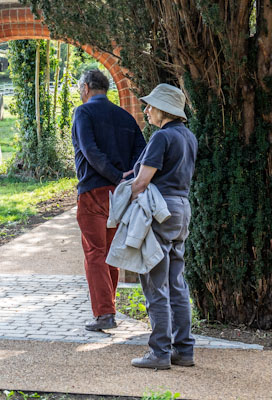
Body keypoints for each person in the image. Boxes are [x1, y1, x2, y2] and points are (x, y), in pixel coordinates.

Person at [72, 69, 146, 331]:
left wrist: (115, 175)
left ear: (87, 88)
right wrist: (128, 178)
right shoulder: (125, 117)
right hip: (121, 194)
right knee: (111, 253)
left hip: (94, 191)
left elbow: (89, 150)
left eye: (80, 89)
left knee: (95, 252)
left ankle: (104, 314)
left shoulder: (84, 112)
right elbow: (142, 152)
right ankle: (109, 308)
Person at [130, 83, 197, 369]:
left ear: (164, 110)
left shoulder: (161, 136)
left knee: (155, 284)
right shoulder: (188, 136)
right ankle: (184, 351)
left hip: (159, 211)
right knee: (176, 283)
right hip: (181, 209)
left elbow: (142, 181)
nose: (147, 110)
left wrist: (127, 197)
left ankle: (159, 352)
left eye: (151, 106)